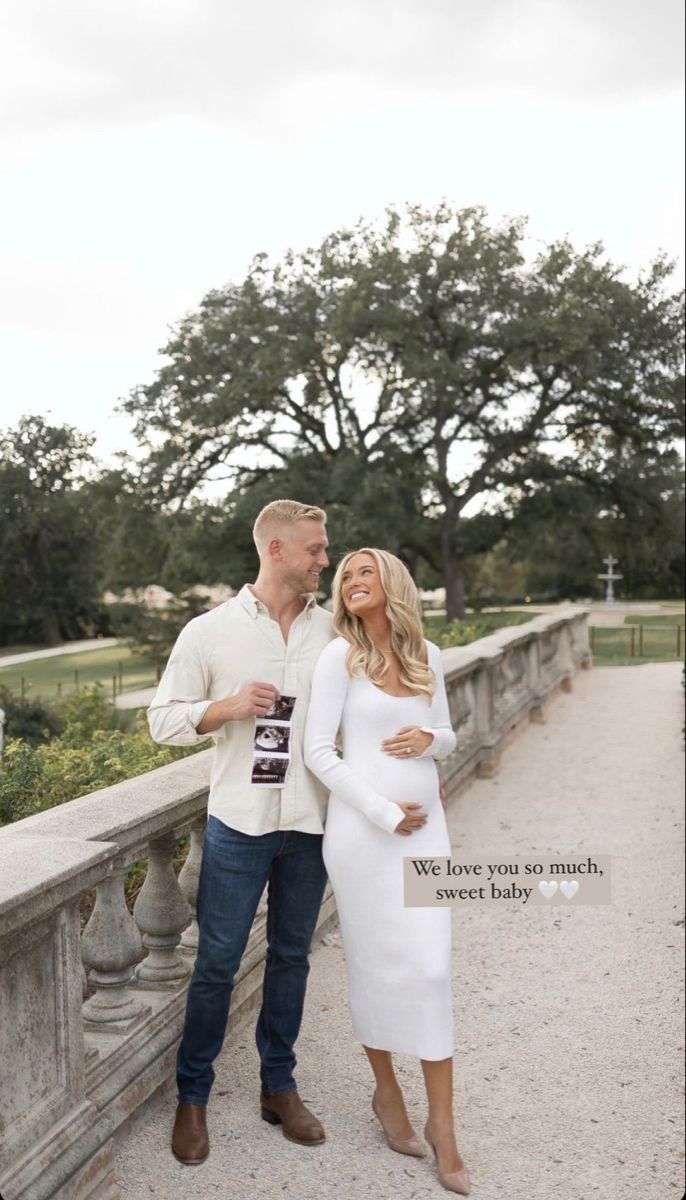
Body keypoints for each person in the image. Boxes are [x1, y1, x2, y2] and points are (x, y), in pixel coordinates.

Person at [147, 499, 334, 1164]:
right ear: (277, 550)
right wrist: (224, 708)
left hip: (310, 826)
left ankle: (278, 1087)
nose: (324, 559)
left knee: (291, 958)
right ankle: (192, 1098)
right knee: (216, 967)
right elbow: (161, 720)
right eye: (313, 549)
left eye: (324, 548)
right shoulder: (210, 631)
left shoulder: (335, 631)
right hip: (238, 825)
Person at [303, 548, 471, 1195]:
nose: (351, 582)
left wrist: (433, 742)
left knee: (430, 970)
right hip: (362, 840)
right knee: (375, 967)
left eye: (363, 572)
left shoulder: (428, 653)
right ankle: (385, 1092)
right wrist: (379, 810)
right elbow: (319, 752)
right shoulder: (337, 659)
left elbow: (449, 732)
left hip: (429, 838)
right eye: (345, 575)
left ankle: (444, 1130)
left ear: (391, 584)